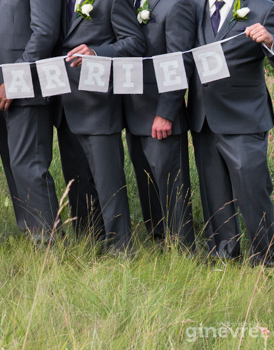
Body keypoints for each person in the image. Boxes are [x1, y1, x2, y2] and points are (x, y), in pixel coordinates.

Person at [188, 0, 274, 266]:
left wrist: (270, 42)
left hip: (243, 116)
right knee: (214, 193)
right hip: (203, 116)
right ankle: (225, 253)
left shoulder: (265, 7)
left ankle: (266, 258)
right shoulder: (194, 7)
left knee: (252, 191)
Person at [59, 0, 145, 255]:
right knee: (76, 181)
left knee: (108, 181)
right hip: (64, 102)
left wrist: (97, 53)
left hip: (98, 103)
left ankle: (121, 247)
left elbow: (135, 42)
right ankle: (88, 242)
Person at [0, 0, 62, 247]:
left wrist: (14, 81)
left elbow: (45, 32)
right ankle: (31, 232)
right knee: (14, 166)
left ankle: (49, 242)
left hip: (25, 88)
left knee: (29, 165)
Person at [124, 0, 196, 249]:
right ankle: (158, 240)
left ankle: (183, 247)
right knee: (147, 185)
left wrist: (166, 112)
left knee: (171, 187)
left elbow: (181, 61)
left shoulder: (176, 5)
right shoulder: (128, 4)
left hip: (160, 114)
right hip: (132, 109)